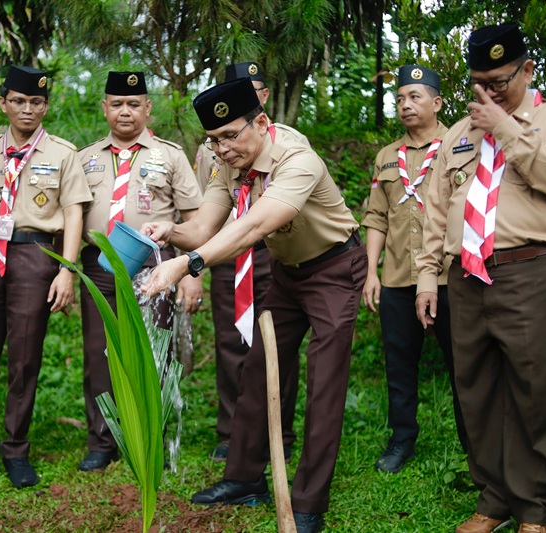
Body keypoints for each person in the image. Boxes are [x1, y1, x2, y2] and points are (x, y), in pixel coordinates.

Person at [141, 77, 367, 533]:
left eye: (230, 135)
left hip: (333, 270)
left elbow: (255, 226)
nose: (222, 149)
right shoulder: (231, 164)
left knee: (324, 382)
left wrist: (186, 266)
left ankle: (307, 502)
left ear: (261, 122)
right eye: (213, 140)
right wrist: (170, 231)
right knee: (259, 368)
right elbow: (205, 226)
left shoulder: (297, 159)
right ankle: (244, 478)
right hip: (288, 275)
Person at [415, 23, 546, 533]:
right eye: (478, 84)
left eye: (500, 82)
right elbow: (436, 210)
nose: (487, 94)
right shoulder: (457, 135)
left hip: (533, 272)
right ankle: (494, 499)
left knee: (537, 394)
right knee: (478, 393)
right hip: (467, 278)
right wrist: (427, 277)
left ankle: (536, 511)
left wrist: (505, 126)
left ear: (527, 71)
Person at [0, 65, 91, 488]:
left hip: (36, 254)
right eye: (19, 101)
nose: (27, 110)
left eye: (36, 102)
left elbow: (73, 212)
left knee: (25, 357)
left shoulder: (63, 154)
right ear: (4, 103)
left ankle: (16, 449)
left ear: (46, 106)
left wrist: (67, 271)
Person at [75, 71, 203, 472]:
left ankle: (153, 436)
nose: (125, 111)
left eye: (134, 104)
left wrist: (193, 275)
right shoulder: (85, 158)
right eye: (117, 104)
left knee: (155, 351)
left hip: (156, 267)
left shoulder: (170, 155)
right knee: (100, 353)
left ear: (148, 108)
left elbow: (195, 217)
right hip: (99, 266)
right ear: (105, 108)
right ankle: (103, 440)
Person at [193, 61, 308, 462]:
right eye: (245, 88)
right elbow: (203, 215)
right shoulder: (212, 151)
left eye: (259, 88)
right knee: (230, 343)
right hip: (225, 256)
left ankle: (282, 431)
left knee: (278, 343)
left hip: (271, 254)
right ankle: (231, 433)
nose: (256, 94)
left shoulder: (288, 145)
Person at [361, 64, 466, 473]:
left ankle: (473, 440)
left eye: (415, 96)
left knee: (464, 363)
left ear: (438, 103)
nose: (405, 104)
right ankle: (402, 439)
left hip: (448, 278)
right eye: (400, 98)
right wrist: (372, 271)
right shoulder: (387, 157)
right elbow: (376, 218)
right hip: (399, 280)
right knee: (399, 364)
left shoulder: (458, 147)